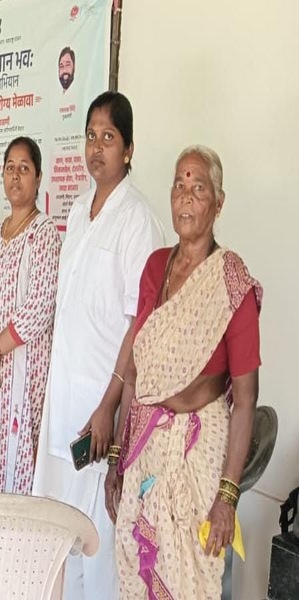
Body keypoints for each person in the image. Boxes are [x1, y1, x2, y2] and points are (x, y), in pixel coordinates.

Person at [108, 146, 261, 599]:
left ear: (219, 203)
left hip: (197, 454)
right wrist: (116, 458)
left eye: (199, 189)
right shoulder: (156, 266)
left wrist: (227, 497)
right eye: (179, 186)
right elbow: (135, 372)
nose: (186, 197)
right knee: (136, 569)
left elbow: (246, 398)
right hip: (144, 448)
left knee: (190, 580)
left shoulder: (231, 281)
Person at [31, 92, 163, 600]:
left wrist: (110, 404)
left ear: (128, 149)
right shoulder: (79, 209)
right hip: (65, 403)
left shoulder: (138, 219)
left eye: (108, 137)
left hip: (100, 410)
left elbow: (138, 324)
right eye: (91, 135)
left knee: (99, 543)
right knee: (63, 535)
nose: (96, 147)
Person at [0, 136, 61, 495]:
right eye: (10, 168)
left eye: (24, 168)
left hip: (22, 373)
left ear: (38, 178)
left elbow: (39, 307)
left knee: (17, 470)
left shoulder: (45, 234)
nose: (16, 176)